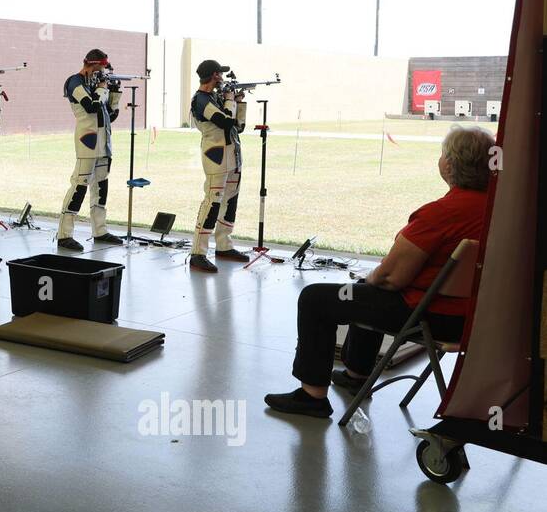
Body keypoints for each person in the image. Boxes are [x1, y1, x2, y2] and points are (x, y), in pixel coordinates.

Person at [264, 125, 495, 418]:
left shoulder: (441, 214)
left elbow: (389, 278)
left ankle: (312, 395)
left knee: (317, 298)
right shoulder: (502, 210)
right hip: (479, 320)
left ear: (449, 164)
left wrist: (370, 279)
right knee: (361, 292)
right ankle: (356, 374)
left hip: (430, 316)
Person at [57, 49, 125, 252]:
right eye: (101, 67)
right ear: (93, 65)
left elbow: (109, 115)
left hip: (104, 142)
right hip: (88, 141)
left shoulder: (94, 85)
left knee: (101, 188)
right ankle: (64, 235)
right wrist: (103, 89)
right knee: (80, 186)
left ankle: (100, 231)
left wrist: (113, 94)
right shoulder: (75, 82)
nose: (103, 71)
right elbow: (90, 106)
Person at [188, 59, 249, 272]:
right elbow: (224, 121)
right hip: (216, 156)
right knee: (212, 203)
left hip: (232, 155)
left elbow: (237, 126)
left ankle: (224, 245)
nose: (222, 78)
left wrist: (238, 102)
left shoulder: (213, 97)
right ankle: (198, 252)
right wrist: (230, 101)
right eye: (219, 75)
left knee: (230, 201)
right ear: (214, 75)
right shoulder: (202, 100)